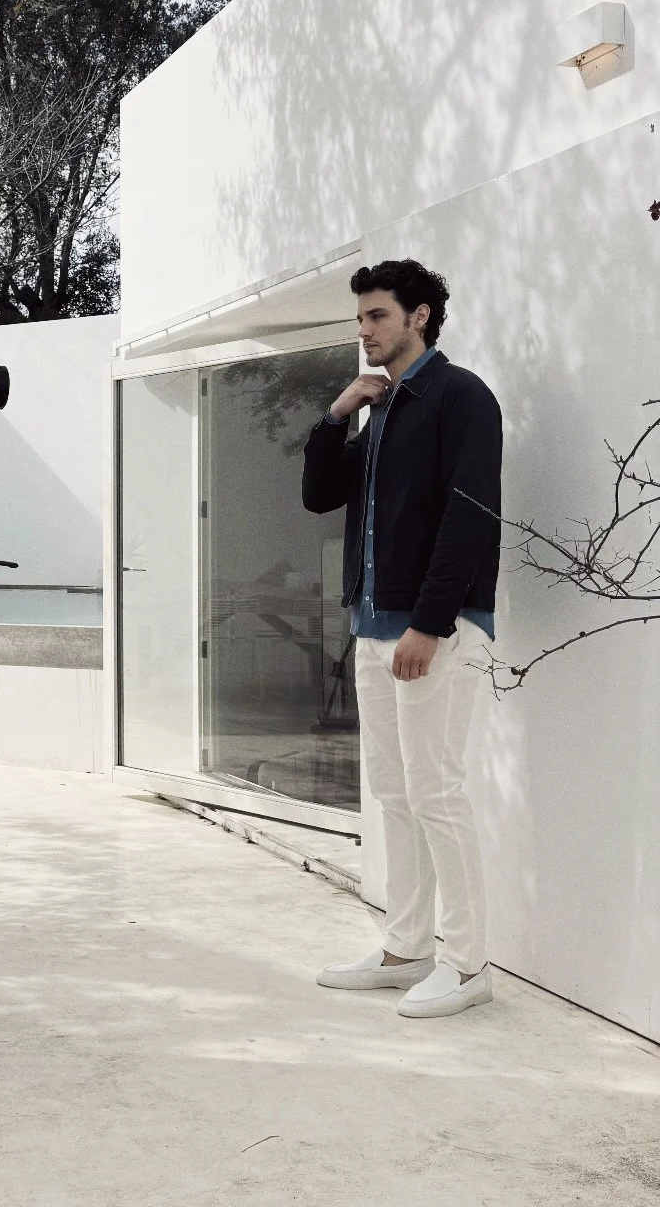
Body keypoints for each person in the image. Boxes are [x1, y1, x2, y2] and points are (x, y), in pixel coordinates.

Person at [301, 260, 503, 1019]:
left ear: (419, 316)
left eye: (377, 316)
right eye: (360, 319)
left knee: (438, 792)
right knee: (392, 792)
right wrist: (338, 412)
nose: (365, 331)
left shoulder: (461, 396)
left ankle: (467, 961)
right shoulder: (379, 410)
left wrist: (430, 621)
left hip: (435, 631)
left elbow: (470, 514)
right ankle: (406, 946)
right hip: (373, 627)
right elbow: (321, 494)